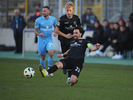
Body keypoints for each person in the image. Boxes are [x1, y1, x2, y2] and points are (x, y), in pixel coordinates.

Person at [55, 1, 82, 83]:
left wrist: (77, 36)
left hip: (72, 41)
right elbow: (56, 30)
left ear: (73, 10)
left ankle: (69, 77)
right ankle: (65, 68)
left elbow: (80, 29)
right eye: (67, 10)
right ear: (65, 10)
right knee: (65, 56)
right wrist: (66, 36)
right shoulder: (62, 19)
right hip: (63, 40)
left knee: (71, 57)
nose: (68, 12)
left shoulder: (76, 18)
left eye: (70, 10)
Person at [34, 6, 56, 76]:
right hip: (41, 41)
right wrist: (39, 34)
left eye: (45, 11)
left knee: (51, 53)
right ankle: (43, 70)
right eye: (42, 11)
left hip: (49, 40)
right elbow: (35, 31)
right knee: (43, 57)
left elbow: (56, 27)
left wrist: (56, 32)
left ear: (49, 12)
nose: (43, 12)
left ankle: (50, 69)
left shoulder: (53, 19)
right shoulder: (38, 20)